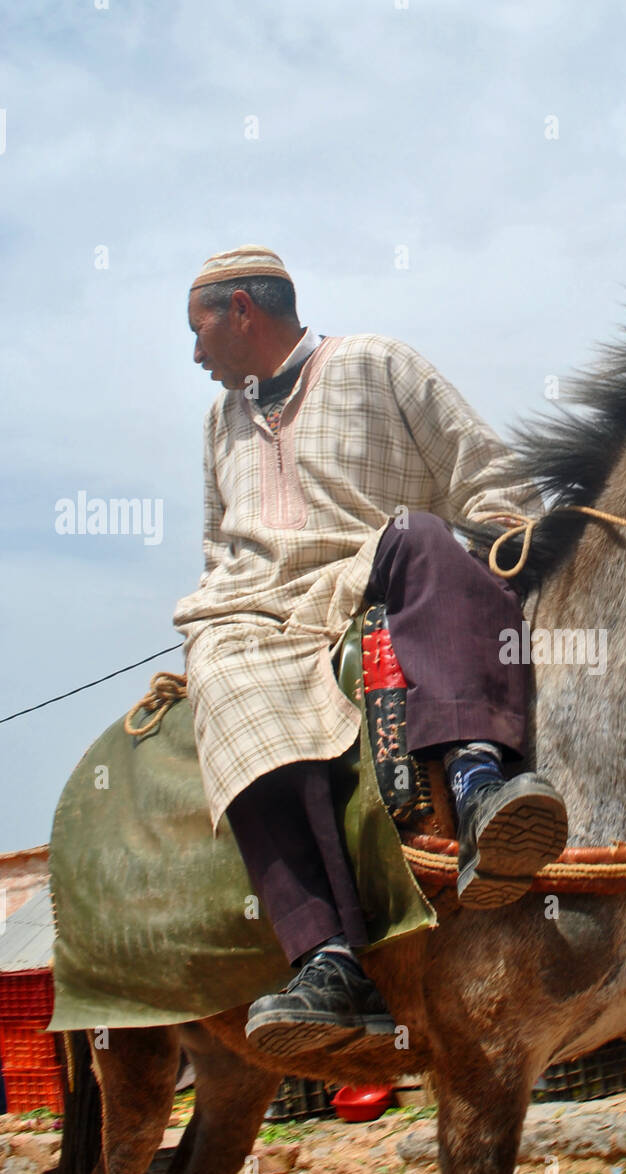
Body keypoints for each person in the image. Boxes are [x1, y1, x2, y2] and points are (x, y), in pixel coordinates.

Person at [173, 245, 567, 1058]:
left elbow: (481, 468)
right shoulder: (218, 423)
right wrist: (211, 626)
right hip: (260, 616)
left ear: (241, 310)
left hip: (372, 572)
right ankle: (326, 961)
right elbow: (220, 554)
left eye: (199, 331)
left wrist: (518, 544)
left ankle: (483, 788)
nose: (196, 354)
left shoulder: (375, 365)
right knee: (220, 671)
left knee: (424, 534)